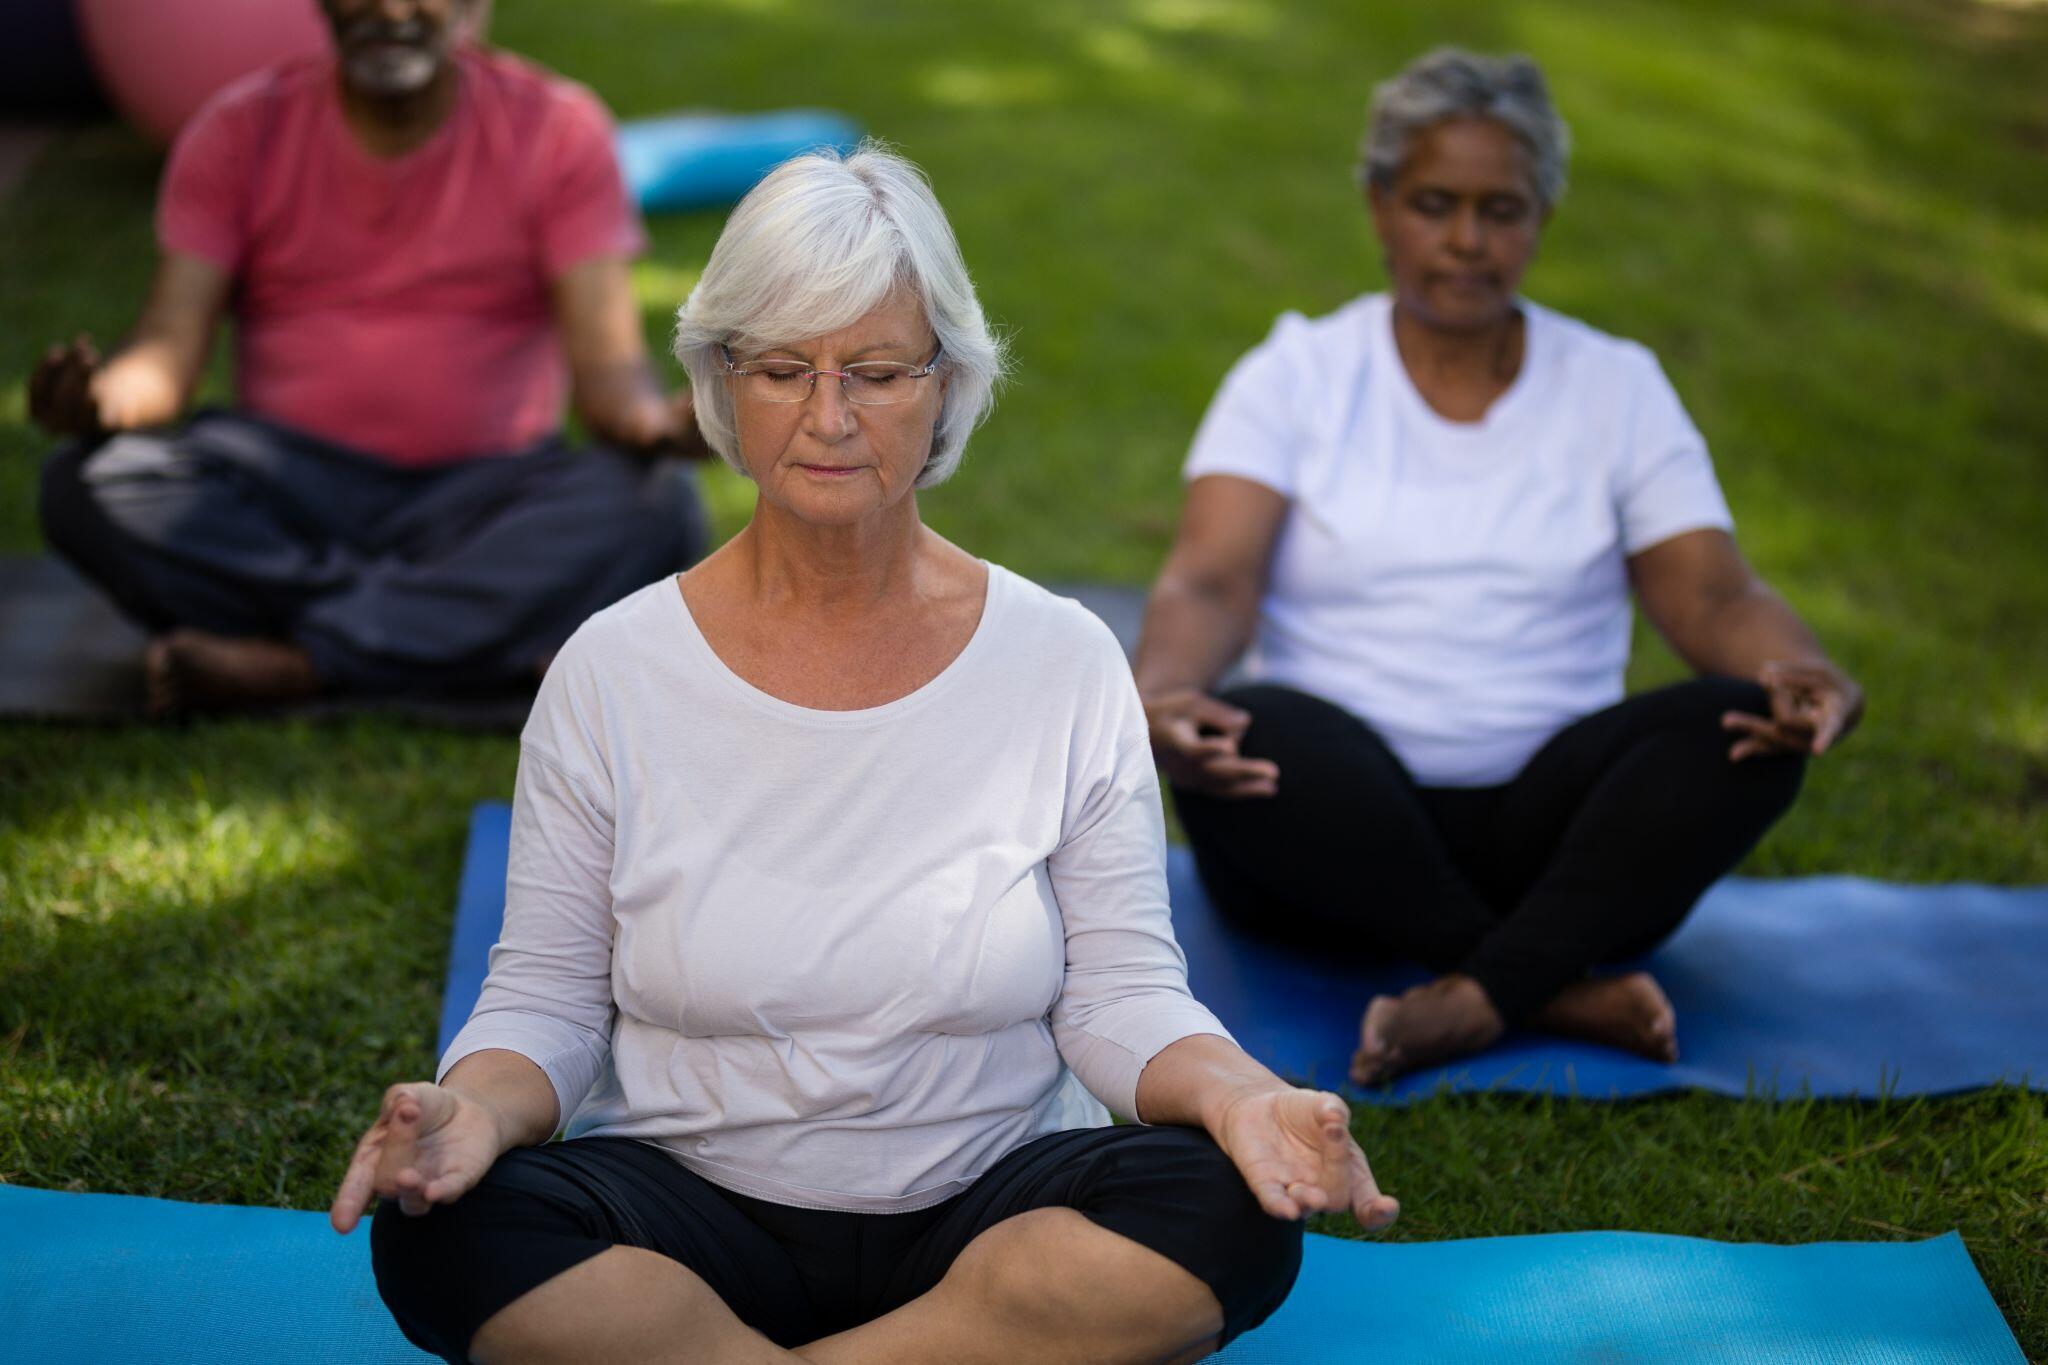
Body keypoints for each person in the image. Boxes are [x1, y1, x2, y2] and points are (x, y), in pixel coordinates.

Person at [329, 146, 1400, 1364]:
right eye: (783, 370)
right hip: (686, 1213)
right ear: (721, 382)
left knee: (1221, 1208)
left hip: (988, 1201)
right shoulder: (611, 669)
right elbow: (548, 1002)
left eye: (878, 372)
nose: (830, 418)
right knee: (446, 1225)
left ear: (946, 384)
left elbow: (1119, 995)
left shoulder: (1060, 660)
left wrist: (1244, 1097)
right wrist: (469, 1110)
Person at [1137, 49, 1865, 1087]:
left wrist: (1803, 672)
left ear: (1541, 218)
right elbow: (1206, 581)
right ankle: (1550, 985)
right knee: (1250, 729)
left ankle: (1471, 995)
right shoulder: (1292, 375)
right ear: (1379, 203)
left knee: (1736, 732)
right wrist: (1157, 696)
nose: (1467, 242)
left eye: (1501, 210)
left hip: (1552, 831)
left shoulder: (1614, 385)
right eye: (1434, 204)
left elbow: (1710, 592)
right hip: (1327, 826)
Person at [30, 0, 706, 715]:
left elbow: (609, 375)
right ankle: (452, 626)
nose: (389, 8)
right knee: (88, 483)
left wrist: (659, 423)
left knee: (655, 502)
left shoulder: (557, 130)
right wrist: (102, 403)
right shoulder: (239, 129)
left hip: (486, 498)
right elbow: (166, 352)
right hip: (288, 494)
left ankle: (302, 661)